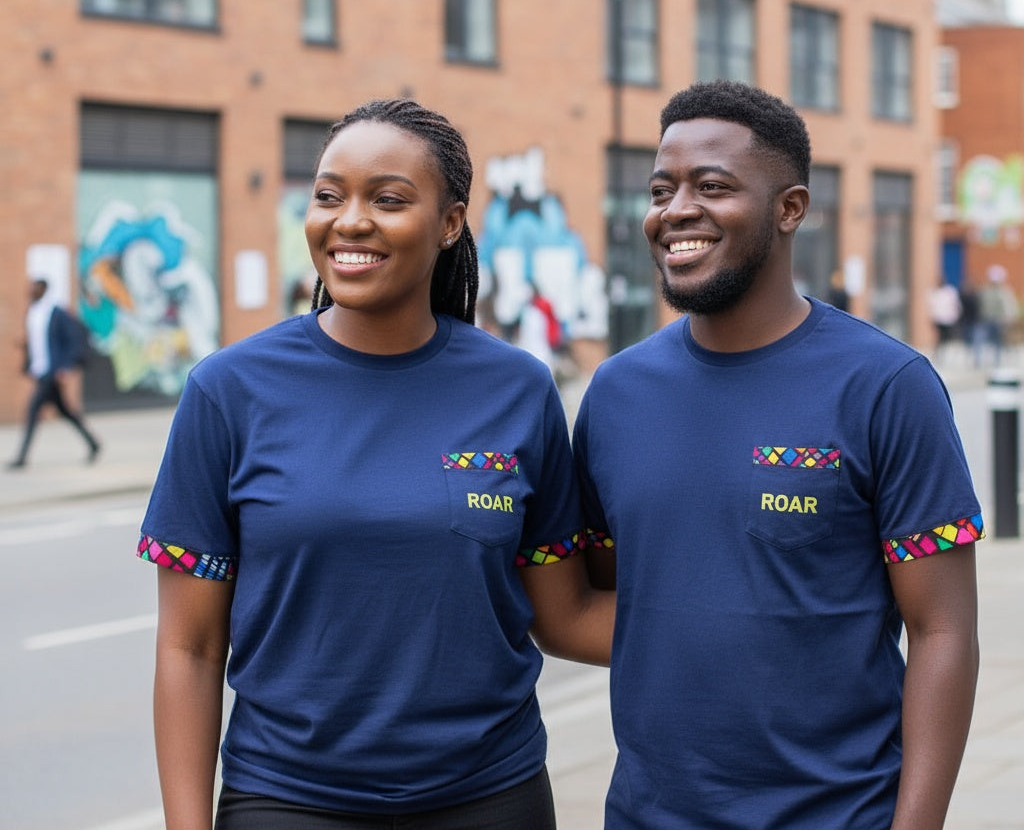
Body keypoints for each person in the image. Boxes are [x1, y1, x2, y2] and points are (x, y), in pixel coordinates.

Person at [136, 98, 613, 830]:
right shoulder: (228, 391)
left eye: (387, 199)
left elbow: (565, 614)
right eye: (329, 195)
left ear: (450, 223)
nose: (350, 220)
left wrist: (775, 625)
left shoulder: (517, 388)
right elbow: (190, 647)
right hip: (289, 802)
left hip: (492, 798)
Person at [574, 80, 983, 830]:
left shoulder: (887, 386)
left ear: (790, 208)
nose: (675, 211)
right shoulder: (614, 395)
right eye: (662, 189)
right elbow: (616, 599)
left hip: (839, 814)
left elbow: (943, 633)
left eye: (713, 186)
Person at [6, 278, 100, 470]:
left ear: (44, 290)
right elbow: (38, 341)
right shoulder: (32, 312)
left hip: (52, 372)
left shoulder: (56, 313)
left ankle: (22, 457)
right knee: (66, 413)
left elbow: (73, 337)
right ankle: (93, 443)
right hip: (40, 372)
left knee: (32, 411)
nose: (31, 291)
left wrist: (65, 366)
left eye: (36, 288)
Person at [927, 276, 962, 365]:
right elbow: (932, 307)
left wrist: (956, 316)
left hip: (949, 319)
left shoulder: (949, 292)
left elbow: (955, 305)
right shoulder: (935, 293)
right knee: (940, 338)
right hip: (939, 319)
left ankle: (948, 355)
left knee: (949, 338)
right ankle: (940, 355)